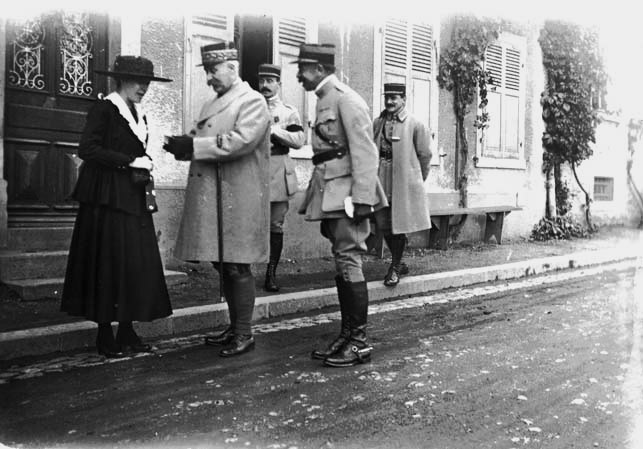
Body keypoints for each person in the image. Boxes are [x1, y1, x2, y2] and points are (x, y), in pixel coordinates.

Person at [61, 55, 173, 358]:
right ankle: (104, 334)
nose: (144, 88)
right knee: (107, 262)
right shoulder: (104, 109)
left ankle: (126, 329)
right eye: (139, 82)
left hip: (133, 196)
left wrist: (146, 160)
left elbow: (134, 149)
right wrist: (128, 161)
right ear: (121, 80)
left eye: (148, 83)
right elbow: (88, 149)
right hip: (106, 196)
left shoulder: (138, 113)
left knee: (132, 263)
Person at [163, 42, 271, 358]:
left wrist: (194, 147)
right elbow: (206, 140)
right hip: (215, 195)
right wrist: (182, 145)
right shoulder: (214, 102)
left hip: (239, 196)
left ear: (232, 67)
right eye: (207, 71)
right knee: (221, 262)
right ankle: (235, 326)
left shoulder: (252, 101)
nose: (209, 78)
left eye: (213, 70)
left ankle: (244, 333)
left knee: (237, 264)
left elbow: (240, 142)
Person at [294, 43, 387, 368]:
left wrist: (363, 199)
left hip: (348, 193)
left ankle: (359, 342)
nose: (298, 75)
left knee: (349, 259)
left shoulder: (346, 99)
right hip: (330, 189)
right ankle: (348, 334)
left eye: (303, 68)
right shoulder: (324, 100)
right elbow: (324, 154)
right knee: (341, 259)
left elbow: (365, 151)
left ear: (320, 70)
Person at [373, 83, 432, 286]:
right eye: (387, 97)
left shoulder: (415, 124)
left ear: (404, 99)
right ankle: (399, 260)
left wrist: (415, 180)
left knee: (397, 225)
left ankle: (395, 267)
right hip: (380, 177)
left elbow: (425, 156)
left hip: (403, 182)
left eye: (394, 97)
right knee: (382, 222)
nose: (389, 101)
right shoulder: (378, 122)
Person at [257, 63, 306, 292]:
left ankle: (271, 273)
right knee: (251, 223)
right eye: (262, 81)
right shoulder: (251, 107)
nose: (265, 85)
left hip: (278, 171)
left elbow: (298, 140)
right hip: (255, 171)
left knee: (275, 225)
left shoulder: (289, 111)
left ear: (279, 84)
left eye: (270, 81)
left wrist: (275, 130)